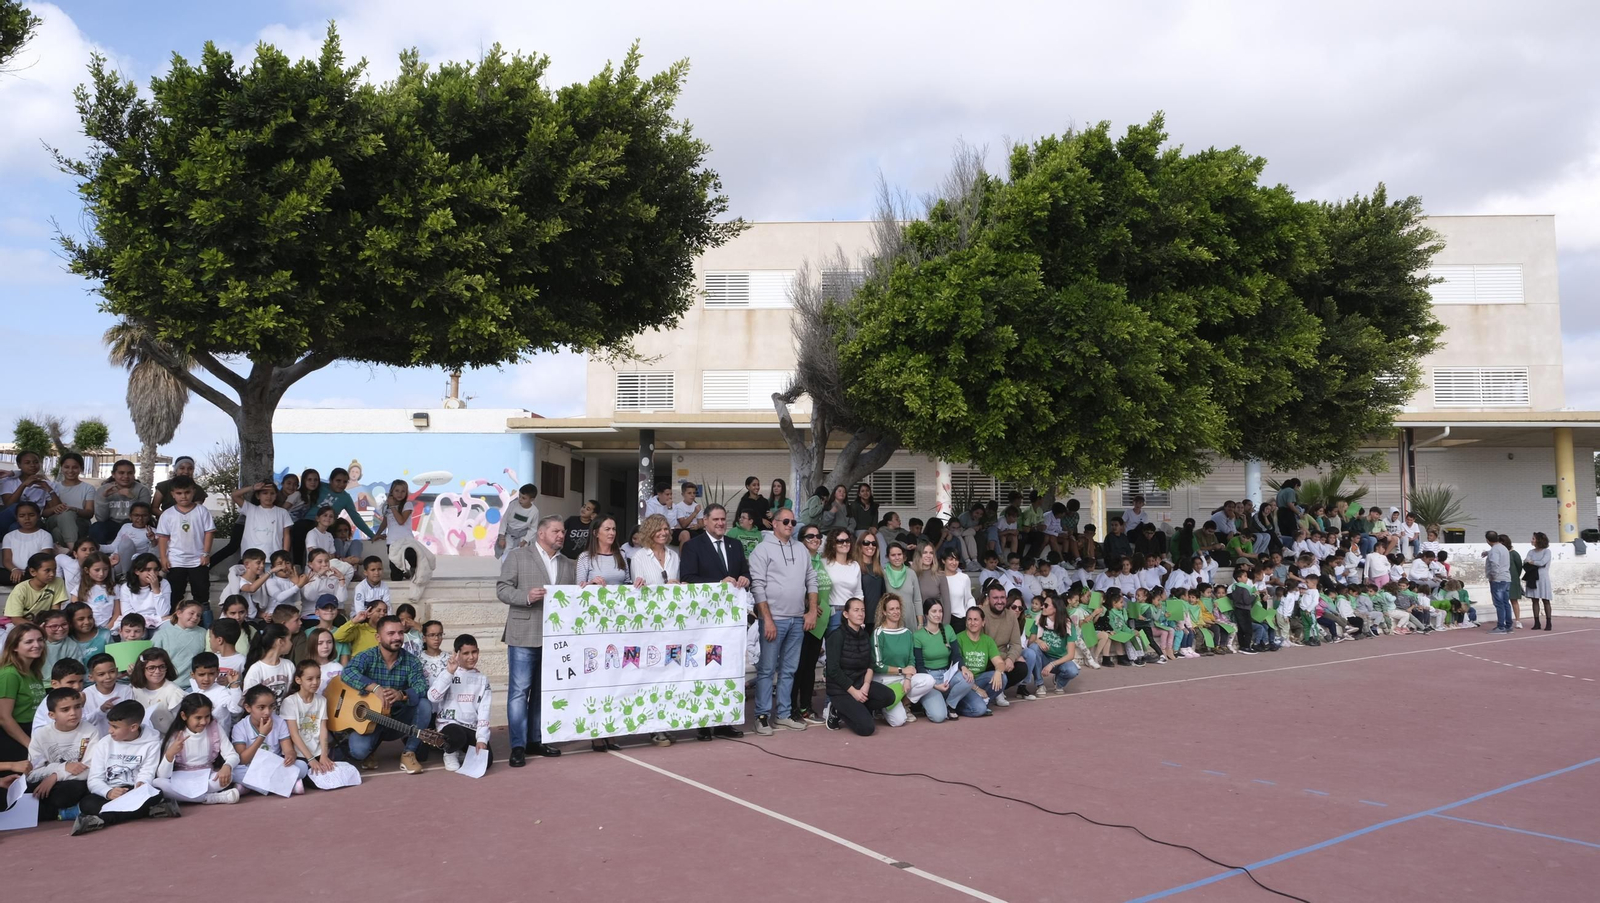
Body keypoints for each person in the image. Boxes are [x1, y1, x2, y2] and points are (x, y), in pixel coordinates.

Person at [495, 515, 575, 765]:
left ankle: (535, 739)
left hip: (554, 637)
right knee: (519, 692)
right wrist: (526, 596)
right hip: (523, 633)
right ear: (541, 533)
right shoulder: (518, 556)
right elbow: (502, 589)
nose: (561, 535)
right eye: (556, 531)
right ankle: (517, 745)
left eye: (563, 532)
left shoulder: (568, 564)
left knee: (543, 692)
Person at [748, 507, 819, 736]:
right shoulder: (761, 549)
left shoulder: (801, 549)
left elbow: (812, 579)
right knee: (767, 670)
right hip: (773, 620)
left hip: (798, 619)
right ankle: (761, 716)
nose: (790, 525)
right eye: (786, 521)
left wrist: (811, 610)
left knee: (789, 669)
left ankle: (784, 715)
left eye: (793, 521)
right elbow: (757, 585)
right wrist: (766, 619)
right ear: (774, 523)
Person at [340, 616, 432, 774]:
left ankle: (409, 753)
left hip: (397, 720)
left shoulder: (411, 661)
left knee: (424, 704)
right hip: (370, 720)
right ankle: (370, 750)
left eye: (400, 633)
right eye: (391, 633)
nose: (397, 637)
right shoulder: (367, 656)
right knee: (358, 752)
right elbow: (347, 672)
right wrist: (375, 688)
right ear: (378, 637)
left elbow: (422, 686)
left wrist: (402, 694)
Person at [72, 700, 180, 835]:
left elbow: (147, 772)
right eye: (109, 725)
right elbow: (94, 779)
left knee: (156, 793)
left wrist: (142, 784)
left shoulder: (152, 743)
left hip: (132, 791)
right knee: (86, 803)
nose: (110, 731)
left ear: (133, 727)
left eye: (115, 727)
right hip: (108, 792)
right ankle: (151, 810)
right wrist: (108, 792)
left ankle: (101, 819)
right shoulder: (104, 743)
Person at [822, 597, 895, 734]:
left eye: (863, 610)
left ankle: (858, 708)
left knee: (888, 696)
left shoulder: (864, 635)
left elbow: (869, 664)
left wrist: (866, 685)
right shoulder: (837, 636)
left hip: (860, 683)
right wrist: (854, 692)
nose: (860, 614)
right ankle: (837, 710)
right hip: (841, 689)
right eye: (856, 610)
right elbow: (833, 670)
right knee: (867, 729)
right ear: (846, 614)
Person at [26, 687, 99, 820]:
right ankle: (62, 812)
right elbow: (32, 774)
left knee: (70, 791)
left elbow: (91, 768)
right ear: (51, 715)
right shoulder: (41, 735)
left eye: (77, 707)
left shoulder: (91, 731)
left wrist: (56, 776)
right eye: (65, 710)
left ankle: (54, 812)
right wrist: (60, 769)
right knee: (28, 790)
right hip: (50, 781)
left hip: (74, 782)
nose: (73, 713)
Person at [154, 692, 240, 805]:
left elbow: (232, 755)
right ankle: (210, 798)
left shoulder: (214, 728)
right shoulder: (176, 734)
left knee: (228, 776)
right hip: (180, 778)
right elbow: (163, 775)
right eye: (198, 718)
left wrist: (227, 766)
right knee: (157, 783)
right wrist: (170, 753)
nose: (204, 722)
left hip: (207, 776)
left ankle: (186, 797)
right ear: (184, 716)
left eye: (207, 716)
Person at [428, 634, 494, 773]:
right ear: (457, 654)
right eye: (466, 653)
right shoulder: (448, 672)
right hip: (449, 725)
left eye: (474, 652)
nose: (471, 657)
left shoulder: (482, 679)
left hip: (470, 727)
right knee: (456, 735)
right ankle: (450, 752)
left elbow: (484, 711)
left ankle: (460, 748)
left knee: (487, 761)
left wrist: (481, 739)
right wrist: (449, 673)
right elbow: (433, 697)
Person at [869, 593, 935, 727]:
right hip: (884, 680)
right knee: (898, 721)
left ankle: (903, 703)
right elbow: (877, 665)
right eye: (891, 609)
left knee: (929, 680)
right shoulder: (878, 633)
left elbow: (911, 660)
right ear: (884, 612)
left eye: (897, 608)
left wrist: (908, 678)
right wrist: (902, 670)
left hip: (903, 678)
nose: (895, 612)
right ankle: (884, 704)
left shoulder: (907, 633)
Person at [912, 599, 984, 720]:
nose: (938, 614)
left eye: (940, 611)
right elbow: (919, 666)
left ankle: (950, 705)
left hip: (947, 675)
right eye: (934, 611)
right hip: (929, 678)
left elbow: (956, 655)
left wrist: (964, 667)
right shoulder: (918, 636)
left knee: (971, 684)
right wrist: (935, 685)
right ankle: (939, 705)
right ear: (926, 614)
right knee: (939, 717)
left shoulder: (948, 629)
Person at [155, 475, 215, 615]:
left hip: (198, 561)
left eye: (187, 492)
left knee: (201, 594)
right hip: (175, 561)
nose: (183, 496)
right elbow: (163, 538)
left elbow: (209, 533)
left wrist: (206, 553)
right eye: (179, 493)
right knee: (175, 594)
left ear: (193, 491)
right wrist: (163, 558)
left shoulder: (202, 511)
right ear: (172, 494)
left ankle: (204, 624)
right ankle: (175, 623)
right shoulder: (167, 514)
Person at [231, 685, 307, 793]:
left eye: (271, 706)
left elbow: (288, 750)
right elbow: (243, 760)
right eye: (261, 707)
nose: (267, 712)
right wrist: (262, 735)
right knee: (233, 771)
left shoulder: (279, 722)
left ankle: (250, 786)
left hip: (274, 766)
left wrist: (290, 756)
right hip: (251, 766)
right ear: (248, 708)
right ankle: (287, 785)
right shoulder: (239, 727)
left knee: (302, 766)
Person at [280, 661, 336, 778]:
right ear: (298, 680)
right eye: (310, 679)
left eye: (318, 678)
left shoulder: (321, 700)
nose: (315, 682)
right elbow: (294, 734)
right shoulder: (290, 702)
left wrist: (324, 755)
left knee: (330, 773)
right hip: (300, 754)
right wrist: (311, 759)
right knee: (306, 773)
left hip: (318, 752)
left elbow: (323, 729)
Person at [0, 624, 47, 761]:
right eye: (29, 642)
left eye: (40, 640)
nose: (37, 645)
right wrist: (30, 744)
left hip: (33, 730)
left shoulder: (33, 671)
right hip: (13, 738)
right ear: (14, 647)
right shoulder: (9, 674)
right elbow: (4, 718)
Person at [980, 583, 1034, 702]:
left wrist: (1011, 658)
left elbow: (1016, 643)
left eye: (1002, 597)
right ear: (988, 599)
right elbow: (981, 646)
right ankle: (990, 690)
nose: (999, 601)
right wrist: (1006, 657)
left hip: (1003, 660)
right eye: (995, 598)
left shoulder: (1011, 615)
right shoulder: (980, 614)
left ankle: (999, 689)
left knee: (1022, 668)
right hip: (985, 659)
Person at [153, 599, 209, 689]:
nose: (195, 617)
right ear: (179, 613)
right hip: (167, 685)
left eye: (198, 615)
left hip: (195, 685)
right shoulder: (162, 634)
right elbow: (153, 658)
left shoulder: (203, 633)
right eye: (191, 613)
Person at [243, 623, 295, 704]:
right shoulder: (256, 669)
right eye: (289, 639)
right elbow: (249, 701)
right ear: (280, 641)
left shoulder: (289, 665)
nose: (291, 643)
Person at [5, 551, 66, 619]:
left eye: (54, 569)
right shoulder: (20, 589)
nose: (52, 574)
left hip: (45, 623)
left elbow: (55, 612)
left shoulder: (58, 582)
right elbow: (16, 619)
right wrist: (38, 628)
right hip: (22, 625)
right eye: (47, 570)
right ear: (33, 572)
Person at [630, 513, 680, 587]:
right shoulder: (638, 558)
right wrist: (665, 587)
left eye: (666, 529)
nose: (663, 533)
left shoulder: (674, 556)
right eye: (658, 530)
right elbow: (639, 590)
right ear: (649, 532)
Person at [1484, 530, 1513, 634]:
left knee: (1499, 603)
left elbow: (1494, 564)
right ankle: (1508, 625)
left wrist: (1493, 576)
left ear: (1487, 540)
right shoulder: (1503, 547)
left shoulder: (1494, 550)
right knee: (1505, 603)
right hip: (1506, 578)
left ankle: (1501, 626)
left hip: (1498, 579)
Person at [500, 483, 541, 554]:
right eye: (519, 496)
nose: (520, 499)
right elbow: (504, 520)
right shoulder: (513, 505)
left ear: (532, 499)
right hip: (509, 535)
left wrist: (525, 540)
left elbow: (533, 529)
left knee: (520, 556)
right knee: (506, 554)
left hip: (522, 537)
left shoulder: (534, 511)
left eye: (524, 498)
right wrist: (501, 537)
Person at [1525, 532, 1553, 631]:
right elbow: (1526, 561)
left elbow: (1542, 562)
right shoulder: (1531, 551)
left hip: (1543, 578)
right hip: (1532, 576)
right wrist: (1531, 562)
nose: (1531, 540)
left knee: (1545, 600)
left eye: (1533, 538)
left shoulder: (1547, 551)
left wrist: (1532, 562)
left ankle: (1548, 622)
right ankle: (1537, 622)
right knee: (1534, 600)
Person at [672, 482, 705, 547]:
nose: (692, 495)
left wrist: (698, 526)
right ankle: (684, 556)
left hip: (695, 530)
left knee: (707, 535)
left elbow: (701, 524)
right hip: (683, 530)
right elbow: (683, 525)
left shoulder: (697, 506)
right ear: (683, 494)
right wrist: (695, 512)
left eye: (694, 493)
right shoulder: (679, 506)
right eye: (689, 493)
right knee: (689, 535)